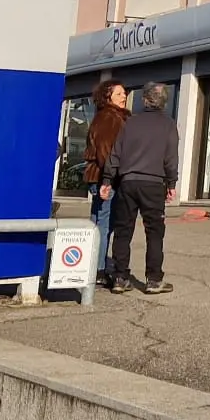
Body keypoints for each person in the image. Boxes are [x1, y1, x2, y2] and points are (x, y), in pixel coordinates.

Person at [100, 83, 178, 294]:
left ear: (144, 100)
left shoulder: (130, 122)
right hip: (153, 183)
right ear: (164, 102)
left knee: (123, 230)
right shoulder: (168, 125)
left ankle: (120, 278)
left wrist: (107, 180)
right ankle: (154, 279)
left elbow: (115, 153)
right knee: (154, 232)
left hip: (128, 182)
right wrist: (172, 183)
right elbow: (171, 158)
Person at [82, 79, 129, 285]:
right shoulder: (109, 117)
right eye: (119, 93)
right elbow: (105, 151)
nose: (124, 96)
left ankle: (92, 264)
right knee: (104, 223)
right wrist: (110, 178)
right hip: (105, 178)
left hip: (104, 177)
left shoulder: (113, 116)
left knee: (98, 221)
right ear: (107, 97)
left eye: (124, 93)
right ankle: (98, 269)